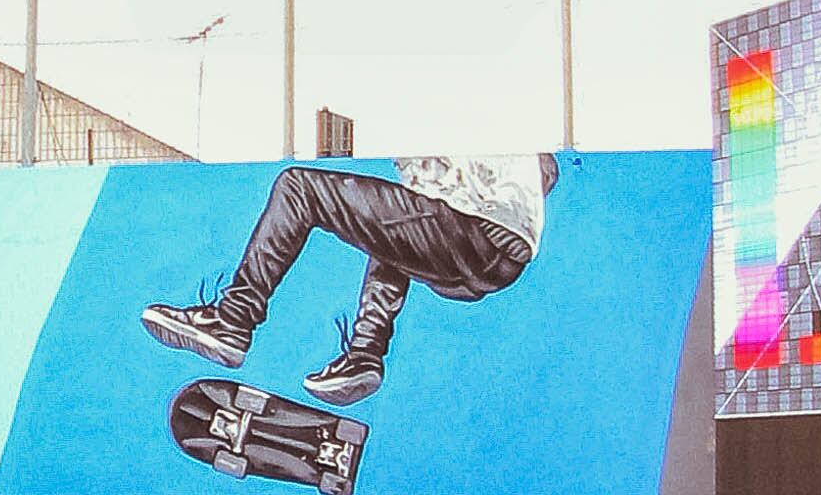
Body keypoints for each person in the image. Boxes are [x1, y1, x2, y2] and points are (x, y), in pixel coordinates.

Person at [143, 156, 560, 404]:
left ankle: (233, 320)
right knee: (393, 227)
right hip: (501, 259)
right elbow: (548, 171)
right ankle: (365, 353)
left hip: (469, 229)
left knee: (299, 188)